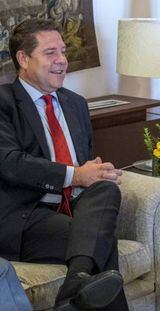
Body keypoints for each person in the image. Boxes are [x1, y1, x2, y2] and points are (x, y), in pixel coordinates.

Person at [0, 19, 129, 310]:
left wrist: (95, 172)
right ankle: (76, 290)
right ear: (23, 58)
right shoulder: (4, 103)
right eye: (50, 53)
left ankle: (74, 287)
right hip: (26, 216)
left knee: (107, 190)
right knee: (100, 243)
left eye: (63, 51)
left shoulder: (76, 104)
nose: (62, 61)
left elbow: (83, 164)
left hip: (75, 207)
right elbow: (10, 163)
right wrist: (76, 175)